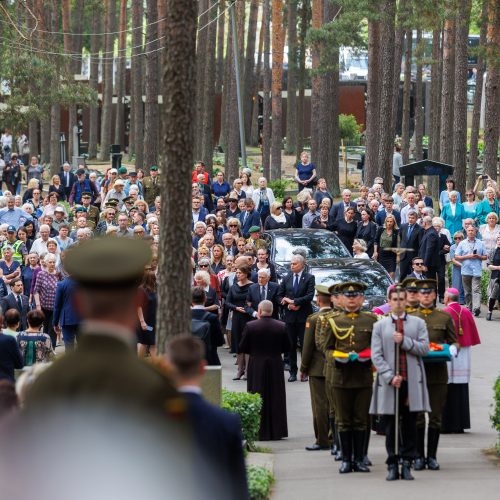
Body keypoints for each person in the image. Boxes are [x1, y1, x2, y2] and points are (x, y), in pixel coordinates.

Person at [166, 336, 248, 499]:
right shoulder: (226, 422)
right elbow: (238, 486)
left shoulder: (148, 420)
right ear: (203, 368)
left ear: (168, 368)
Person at [370, 286, 430, 481]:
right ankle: (392, 463)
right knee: (391, 425)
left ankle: (407, 462)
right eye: (394, 299)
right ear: (389, 300)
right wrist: (389, 376)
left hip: (411, 381)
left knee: (410, 424)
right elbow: (376, 355)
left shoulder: (418, 323)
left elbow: (424, 349)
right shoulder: (380, 326)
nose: (397, 303)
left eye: (401, 299)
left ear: (406, 301)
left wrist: (405, 341)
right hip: (390, 382)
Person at [320, 282, 379, 473]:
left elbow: (377, 347)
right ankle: (346, 459)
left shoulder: (371, 320)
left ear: (362, 298)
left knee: (361, 419)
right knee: (344, 419)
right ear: (341, 298)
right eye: (348, 296)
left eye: (356, 296)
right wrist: (336, 357)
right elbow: (326, 347)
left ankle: (360, 458)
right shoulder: (333, 320)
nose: (352, 299)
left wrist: (369, 357)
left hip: (363, 377)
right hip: (341, 376)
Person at [413, 279, 458, 471]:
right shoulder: (410, 317)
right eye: (422, 293)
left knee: (436, 416)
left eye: (429, 293)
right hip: (416, 373)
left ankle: (431, 456)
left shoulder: (443, 317)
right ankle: (418, 456)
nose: (425, 296)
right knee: (418, 417)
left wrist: (454, 349)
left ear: (434, 295)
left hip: (438, 374)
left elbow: (454, 341)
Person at [239, 300, 290, 440]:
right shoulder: (281, 326)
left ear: (259, 311)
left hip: (256, 363)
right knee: (276, 395)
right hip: (275, 363)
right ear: (272, 311)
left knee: (257, 394)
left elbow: (242, 347)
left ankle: (258, 430)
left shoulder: (250, 326)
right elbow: (287, 348)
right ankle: (277, 431)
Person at [441, 288, 481, 433]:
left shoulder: (444, 312)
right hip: (464, 354)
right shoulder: (466, 312)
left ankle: (447, 425)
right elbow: (473, 334)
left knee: (447, 386)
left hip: (449, 352)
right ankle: (460, 425)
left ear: (447, 298)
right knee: (461, 387)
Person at [300, 285, 333, 451]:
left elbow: (307, 347)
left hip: (317, 368)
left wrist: (303, 367)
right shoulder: (337, 317)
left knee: (319, 405)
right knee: (333, 404)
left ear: (318, 300)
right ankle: (334, 437)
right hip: (335, 366)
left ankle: (322, 440)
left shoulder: (312, 319)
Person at [277, 254, 315, 382]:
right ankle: (293, 371)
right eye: (291, 264)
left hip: (304, 316)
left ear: (302, 265)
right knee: (291, 345)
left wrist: (295, 302)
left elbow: (310, 296)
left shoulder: (309, 278)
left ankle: (305, 371)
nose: (291, 266)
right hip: (290, 317)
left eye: (294, 264)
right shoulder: (286, 277)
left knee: (305, 345)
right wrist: (288, 304)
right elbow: (279, 296)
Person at [225, 264, 254, 379]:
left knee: (247, 342)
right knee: (238, 342)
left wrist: (248, 308)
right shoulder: (233, 287)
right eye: (236, 273)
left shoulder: (252, 286)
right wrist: (236, 308)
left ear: (246, 274)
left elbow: (254, 300)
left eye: (240, 273)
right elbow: (227, 302)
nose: (238, 275)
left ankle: (247, 370)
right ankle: (240, 369)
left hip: (248, 317)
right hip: (237, 316)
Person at [454, 225, 487, 316]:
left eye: (472, 230)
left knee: (476, 290)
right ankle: (469, 306)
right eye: (469, 230)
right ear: (466, 232)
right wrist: (467, 256)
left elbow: (485, 256)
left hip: (476, 270)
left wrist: (479, 256)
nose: (471, 232)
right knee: (467, 291)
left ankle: (476, 308)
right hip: (466, 270)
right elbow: (456, 256)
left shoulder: (481, 243)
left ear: (475, 232)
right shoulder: (462, 243)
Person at [33, 254, 61, 348]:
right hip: (44, 307)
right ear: (45, 263)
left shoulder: (58, 275)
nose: (52, 264)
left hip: (55, 307)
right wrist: (38, 306)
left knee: (52, 329)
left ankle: (51, 349)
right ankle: (44, 349)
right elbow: (36, 290)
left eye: (53, 262)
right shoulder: (41, 274)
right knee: (45, 329)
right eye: (50, 262)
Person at [191, 286, 222, 366]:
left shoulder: (184, 317)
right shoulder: (212, 317)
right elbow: (219, 341)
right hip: (209, 358)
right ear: (205, 299)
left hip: (190, 357)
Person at [53, 274, 80, 351]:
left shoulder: (62, 284)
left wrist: (55, 323)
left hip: (67, 319)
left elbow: (57, 305)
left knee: (69, 347)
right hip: (82, 318)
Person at [399, 210, 423, 280]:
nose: (410, 219)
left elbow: (420, 244)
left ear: (416, 219)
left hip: (413, 256)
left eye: (412, 218)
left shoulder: (420, 229)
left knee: (414, 276)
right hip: (403, 256)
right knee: (402, 275)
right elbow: (401, 239)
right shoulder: (403, 226)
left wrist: (418, 257)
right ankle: (401, 290)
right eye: (409, 217)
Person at [373, 214, 399, 278]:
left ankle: (392, 288)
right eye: (388, 221)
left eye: (391, 221)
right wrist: (375, 252)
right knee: (381, 274)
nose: (389, 223)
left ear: (394, 222)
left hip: (391, 255)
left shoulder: (396, 232)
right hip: (381, 255)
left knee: (392, 274)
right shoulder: (381, 229)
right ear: (385, 222)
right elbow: (376, 241)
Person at [418, 215, 440, 283]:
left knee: (429, 284)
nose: (421, 223)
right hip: (427, 263)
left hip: (429, 265)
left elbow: (429, 250)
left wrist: (425, 264)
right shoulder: (428, 231)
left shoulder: (431, 233)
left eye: (422, 222)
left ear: (425, 223)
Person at [486, 235, 500, 321]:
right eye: (498, 240)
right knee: (493, 294)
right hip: (496, 276)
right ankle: (489, 311)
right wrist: (498, 267)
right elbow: (488, 265)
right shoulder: (493, 251)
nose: (499, 241)